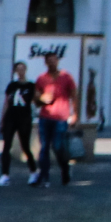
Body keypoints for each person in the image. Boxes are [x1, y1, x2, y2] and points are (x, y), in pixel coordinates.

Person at [34, 50, 78, 186]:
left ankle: (65, 168)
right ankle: (44, 175)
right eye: (49, 60)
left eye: (54, 60)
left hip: (61, 117)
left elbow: (74, 96)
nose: (52, 63)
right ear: (45, 62)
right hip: (45, 116)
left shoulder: (66, 76)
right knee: (44, 147)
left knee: (58, 146)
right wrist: (41, 99)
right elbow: (36, 99)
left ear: (58, 61)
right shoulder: (41, 78)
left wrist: (75, 114)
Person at [0, 59, 38, 186]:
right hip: (11, 117)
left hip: (24, 117)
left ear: (25, 70)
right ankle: (5, 174)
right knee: (6, 146)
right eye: (18, 69)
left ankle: (33, 171)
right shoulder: (12, 86)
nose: (20, 72)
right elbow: (6, 102)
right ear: (15, 71)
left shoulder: (31, 86)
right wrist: (3, 119)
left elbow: (36, 100)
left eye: (22, 69)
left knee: (25, 146)